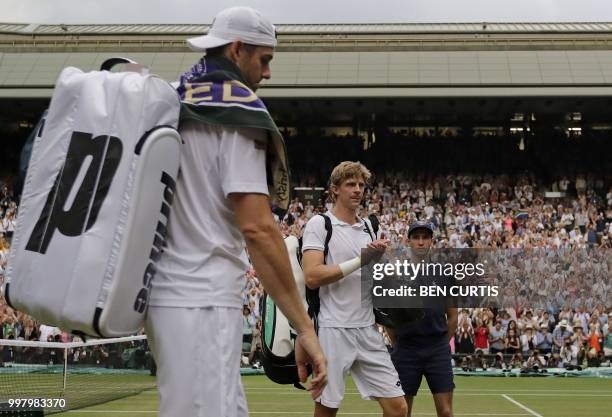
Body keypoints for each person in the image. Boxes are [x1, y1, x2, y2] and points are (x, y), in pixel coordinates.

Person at [145, 7, 327, 417]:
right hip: (202, 298)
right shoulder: (236, 110)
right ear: (237, 48)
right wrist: (305, 327)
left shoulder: (171, 96)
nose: (267, 73)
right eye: (263, 60)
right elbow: (259, 230)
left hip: (167, 297)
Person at [302, 161, 407, 417]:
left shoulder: (372, 227)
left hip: (368, 330)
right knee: (327, 409)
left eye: (361, 184)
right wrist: (362, 260)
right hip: (332, 329)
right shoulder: (320, 224)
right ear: (334, 189)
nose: (357, 189)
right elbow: (312, 276)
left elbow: (379, 275)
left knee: (398, 408)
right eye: (350, 184)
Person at [388, 221, 458, 417]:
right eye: (416, 237)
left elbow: (453, 317)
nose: (420, 242)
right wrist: (399, 343)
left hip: (437, 348)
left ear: (431, 241)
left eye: (425, 237)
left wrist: (441, 344)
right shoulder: (396, 275)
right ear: (408, 241)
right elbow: (389, 320)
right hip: (406, 349)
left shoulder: (444, 274)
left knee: (445, 412)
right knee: (401, 411)